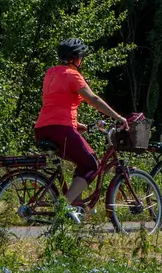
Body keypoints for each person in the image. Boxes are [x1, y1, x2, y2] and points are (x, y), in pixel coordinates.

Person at [37, 38, 131, 220]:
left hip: (42, 128)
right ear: (77, 58)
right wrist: (118, 117)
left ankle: (74, 206)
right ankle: (64, 205)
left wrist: (75, 124)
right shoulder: (73, 75)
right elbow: (93, 100)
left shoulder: (51, 72)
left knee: (81, 163)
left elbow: (56, 101)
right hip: (60, 130)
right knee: (91, 164)